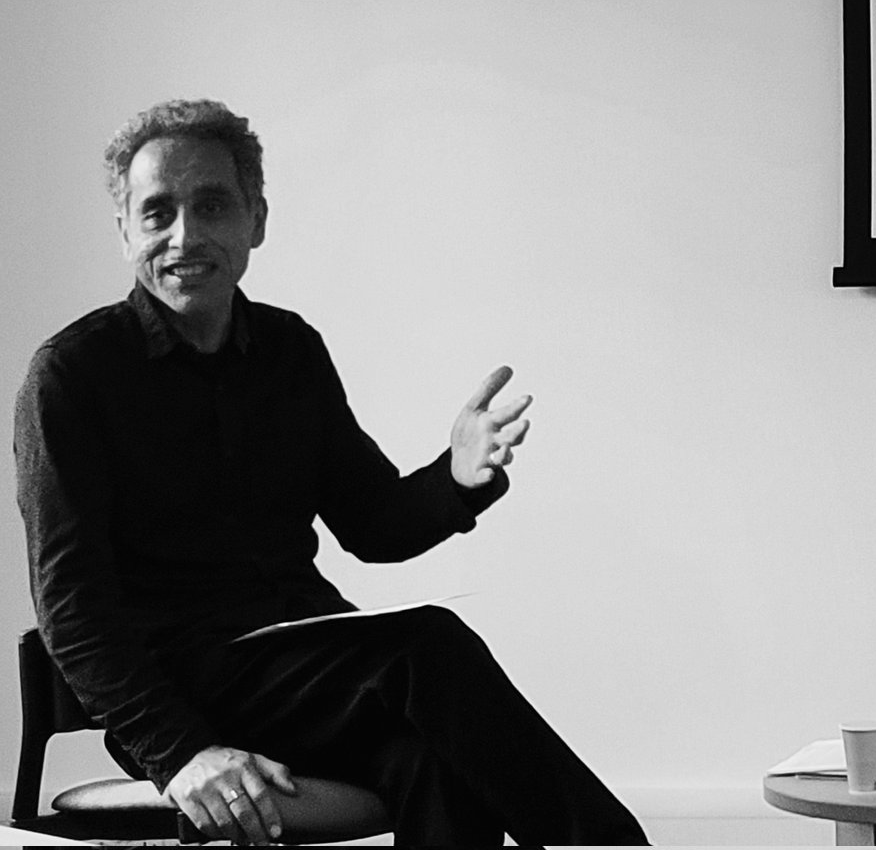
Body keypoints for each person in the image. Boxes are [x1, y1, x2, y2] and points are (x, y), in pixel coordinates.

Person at [14, 99, 648, 846]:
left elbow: (374, 523)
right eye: (157, 214)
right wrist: (180, 755)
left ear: (256, 219)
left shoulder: (289, 350)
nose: (185, 235)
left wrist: (458, 476)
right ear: (126, 233)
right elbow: (73, 609)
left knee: (438, 759)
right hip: (180, 685)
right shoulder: (72, 376)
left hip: (303, 668)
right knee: (429, 649)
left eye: (212, 205)